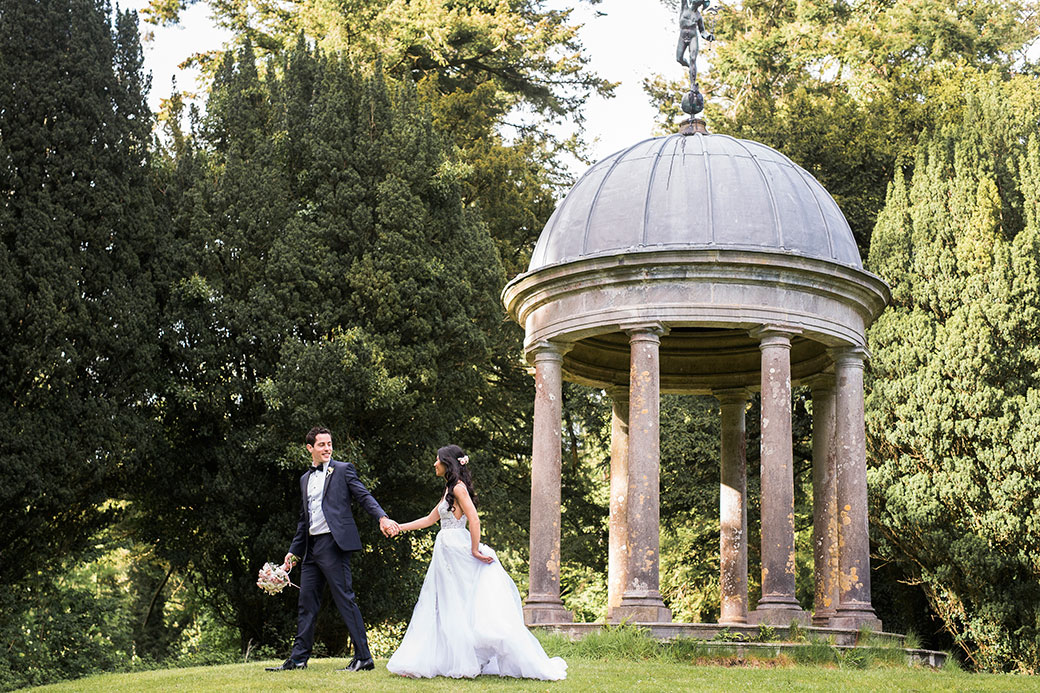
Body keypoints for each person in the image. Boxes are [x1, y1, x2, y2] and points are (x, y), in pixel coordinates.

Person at [386, 445, 567, 680]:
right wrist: (399, 527)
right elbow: (431, 519)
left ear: (448, 464)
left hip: (457, 550)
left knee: (459, 603)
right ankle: (447, 658)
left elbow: (474, 519)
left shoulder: (459, 489)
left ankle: (468, 660)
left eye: (437, 460)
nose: (434, 464)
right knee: (445, 603)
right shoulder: (449, 489)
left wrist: (474, 549)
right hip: (445, 551)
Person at [266, 426, 400, 672]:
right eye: (321, 445)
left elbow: (364, 496)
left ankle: (364, 658)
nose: (327, 448)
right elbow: (303, 520)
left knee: (344, 599)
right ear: (310, 448)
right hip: (311, 548)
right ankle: (298, 660)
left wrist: (382, 517)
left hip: (334, 544)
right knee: (306, 602)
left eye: (329, 444)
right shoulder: (304, 478)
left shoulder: (343, 470)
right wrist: (293, 552)